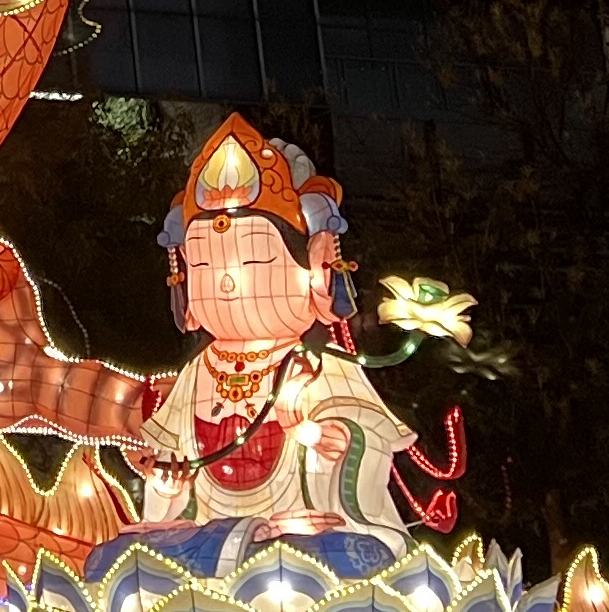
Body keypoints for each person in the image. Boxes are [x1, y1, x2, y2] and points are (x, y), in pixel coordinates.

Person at [132, 117, 419, 552]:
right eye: (204, 266)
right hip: (208, 534)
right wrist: (168, 482)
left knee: (318, 558)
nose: (228, 281)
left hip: (303, 528)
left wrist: (310, 431)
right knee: (123, 559)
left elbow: (365, 442)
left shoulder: (321, 366)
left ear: (317, 267)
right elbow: (172, 469)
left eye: (255, 263)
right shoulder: (197, 374)